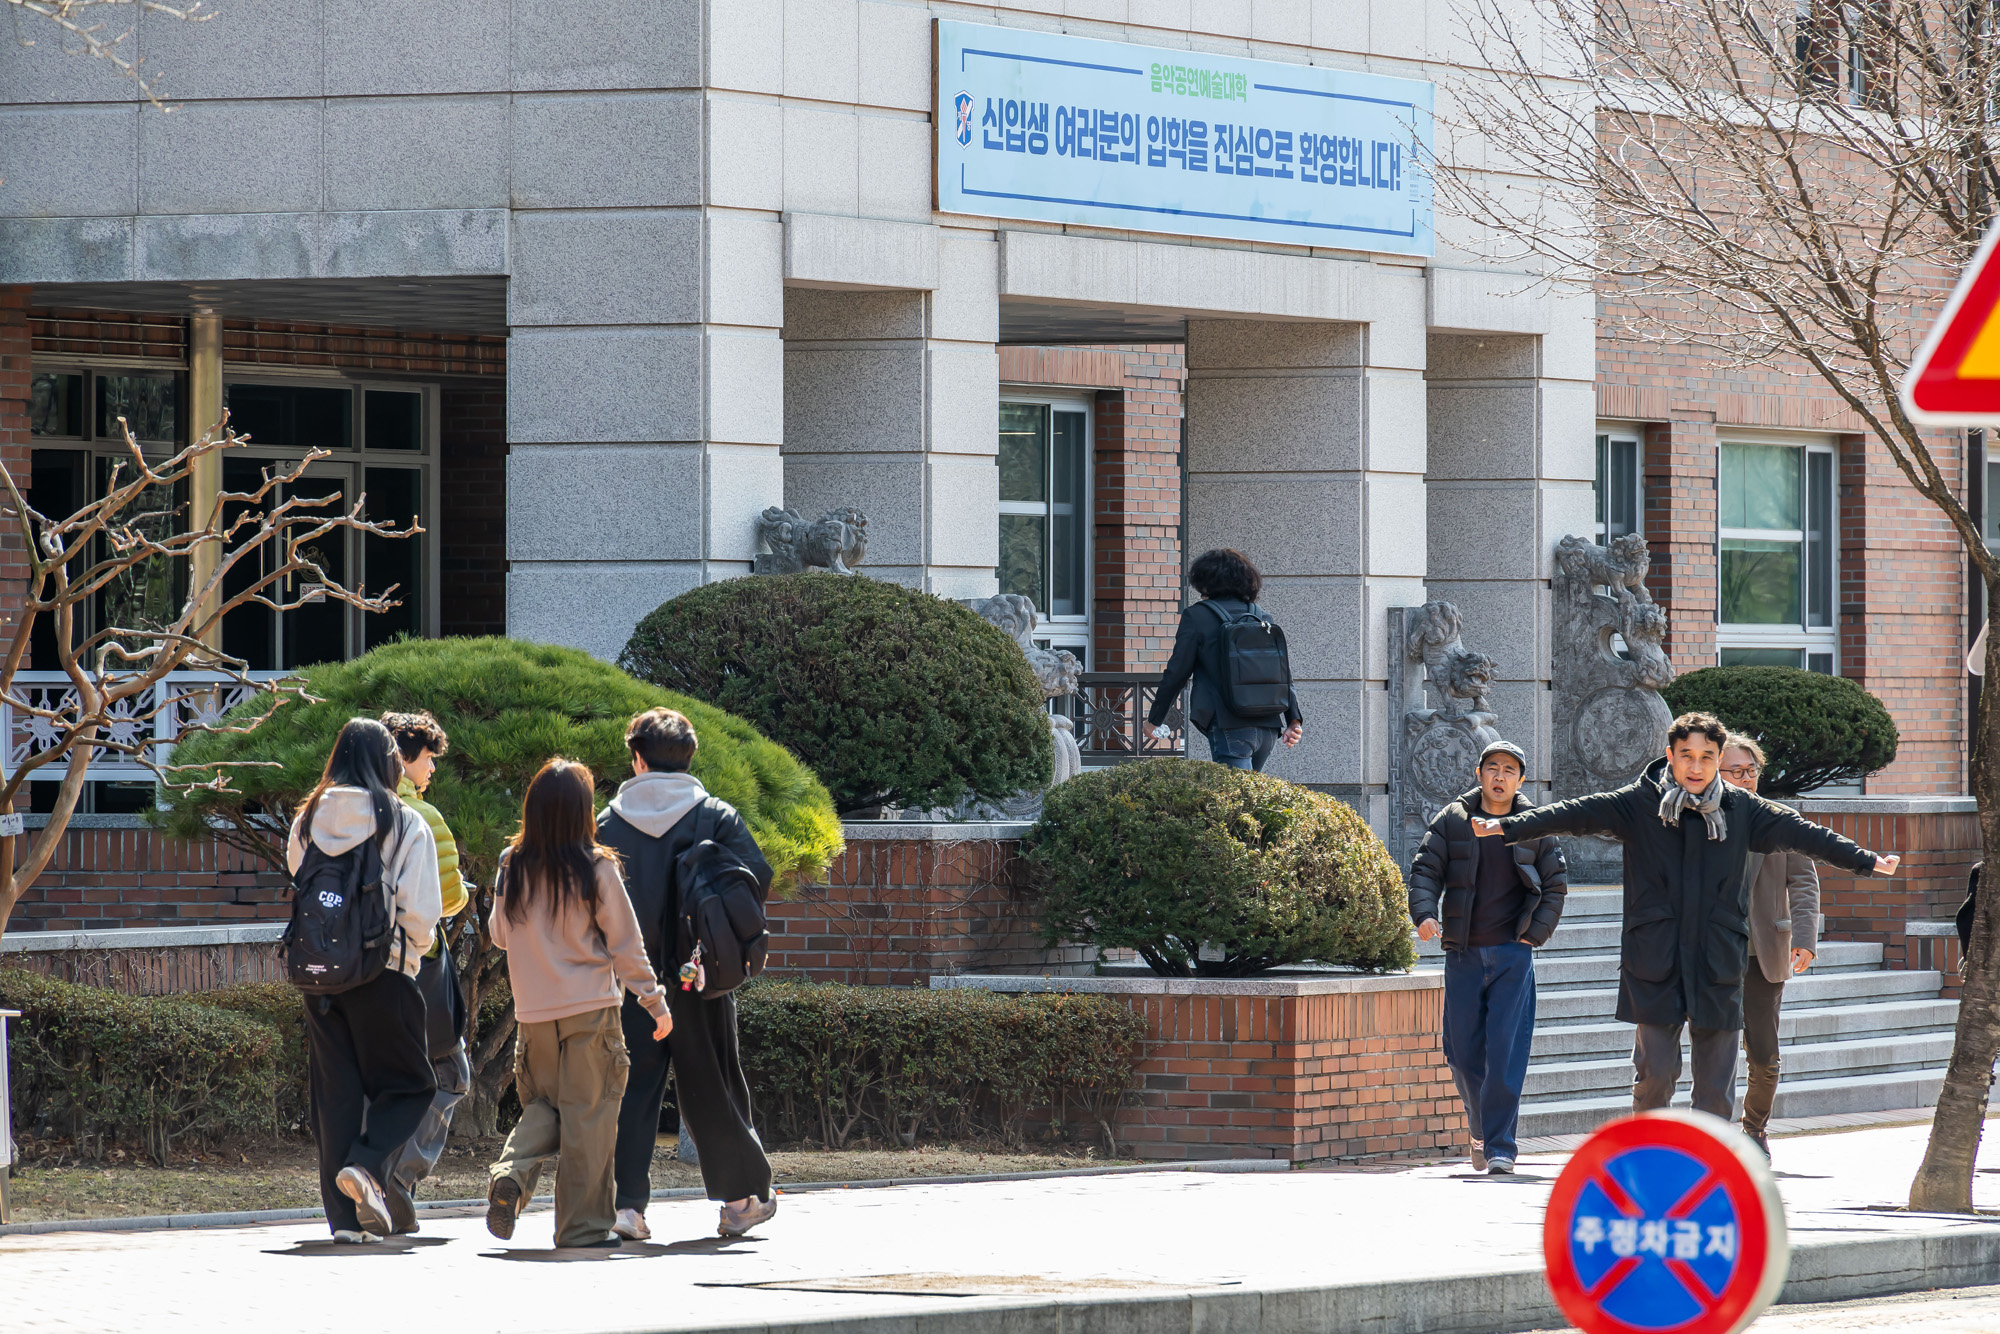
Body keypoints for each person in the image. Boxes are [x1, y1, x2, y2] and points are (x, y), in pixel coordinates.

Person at [1472, 712, 1900, 1122]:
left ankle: (1705, 1177)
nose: (1696, 767)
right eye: (1687, 756)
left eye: (1707, 758)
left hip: (1717, 960)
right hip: (1655, 959)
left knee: (1715, 1089)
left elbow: (1808, 836)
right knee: (1655, 1074)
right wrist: (1507, 827)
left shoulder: (1743, 810)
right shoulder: (1638, 804)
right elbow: (1574, 813)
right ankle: (1650, 1165)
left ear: (1718, 758)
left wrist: (1866, 860)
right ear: (1670, 754)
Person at [599, 707, 778, 1241]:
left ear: (637, 758)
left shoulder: (606, 824)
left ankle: (627, 1208)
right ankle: (740, 1200)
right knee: (714, 1082)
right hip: (698, 976)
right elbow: (754, 881)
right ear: (689, 757)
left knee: (631, 1090)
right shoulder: (715, 816)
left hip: (631, 981)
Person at [485, 759, 672, 1249]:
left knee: (545, 1108)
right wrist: (654, 1002)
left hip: (533, 1016)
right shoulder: (597, 867)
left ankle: (512, 1171)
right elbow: (625, 943)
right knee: (589, 1118)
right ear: (585, 811)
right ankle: (581, 1229)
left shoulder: (512, 864)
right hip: (590, 1011)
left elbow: (500, 935)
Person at [288, 718, 442, 1244]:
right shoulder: (399, 820)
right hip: (384, 973)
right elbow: (421, 910)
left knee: (337, 1097)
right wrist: (411, 954)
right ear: (387, 763)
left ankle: (344, 1224)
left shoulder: (307, 818)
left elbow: (300, 882)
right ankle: (368, 1164)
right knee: (413, 1084)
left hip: (319, 975)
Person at [1408, 740, 1569, 1176]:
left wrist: (1533, 936)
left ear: (1520, 780)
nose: (1500, 776)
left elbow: (1555, 884)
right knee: (1461, 1055)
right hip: (1463, 953)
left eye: (1510, 770)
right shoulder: (1453, 820)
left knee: (1504, 1052)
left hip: (1513, 955)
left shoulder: (1534, 825)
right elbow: (1425, 869)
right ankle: (1481, 1130)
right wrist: (1424, 913)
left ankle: (1501, 1147)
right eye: (1493, 768)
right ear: (1478, 774)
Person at [378, 710, 471, 1234]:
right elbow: (450, 898)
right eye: (429, 759)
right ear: (406, 758)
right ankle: (402, 1176)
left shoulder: (349, 809)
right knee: (451, 1073)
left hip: (359, 969)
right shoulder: (423, 817)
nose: (432, 770)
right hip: (421, 966)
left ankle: (368, 1178)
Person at [1720, 734, 1820, 1159]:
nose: (1746, 779)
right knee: (1716, 1047)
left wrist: (1804, 938)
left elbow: (1803, 881)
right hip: (1714, 951)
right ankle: (1714, 1130)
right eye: (1736, 771)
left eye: (1751, 770)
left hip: (1764, 952)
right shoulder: (1698, 819)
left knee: (1762, 1049)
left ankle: (1755, 1128)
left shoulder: (1781, 819)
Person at [1145, 548, 1303, 771]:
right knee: (1249, 798)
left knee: (1235, 801)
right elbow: (1282, 672)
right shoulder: (1261, 616)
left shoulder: (1197, 616)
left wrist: (1155, 719)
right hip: (1268, 725)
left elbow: (1177, 672)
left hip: (1229, 725)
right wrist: (1293, 720)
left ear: (1204, 580)